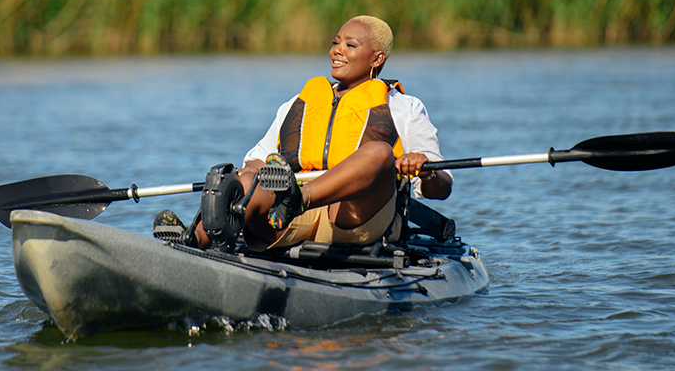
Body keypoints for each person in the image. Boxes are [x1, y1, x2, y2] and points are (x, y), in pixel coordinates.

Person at [154, 15, 452, 251]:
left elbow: (442, 187)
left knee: (379, 152)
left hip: (354, 219)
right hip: (288, 220)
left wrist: (425, 171)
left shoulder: (405, 107)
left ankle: (299, 198)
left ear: (377, 58)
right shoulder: (299, 104)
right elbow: (258, 162)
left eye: (350, 45)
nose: (337, 51)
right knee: (244, 177)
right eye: (336, 42)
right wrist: (238, 185)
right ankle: (193, 243)